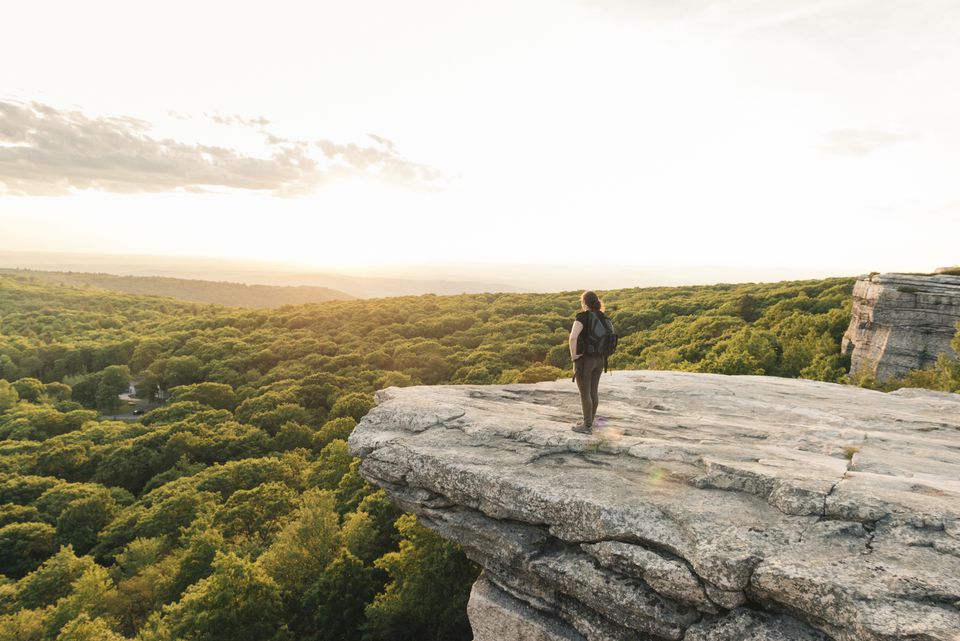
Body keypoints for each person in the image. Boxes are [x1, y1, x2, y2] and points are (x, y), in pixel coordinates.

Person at [569, 290, 606, 433]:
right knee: (593, 392)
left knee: (585, 393)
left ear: (584, 303)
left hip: (585, 360)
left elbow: (573, 338)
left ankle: (586, 426)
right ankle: (590, 421)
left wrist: (574, 356)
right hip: (600, 360)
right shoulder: (603, 317)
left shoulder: (582, 317)